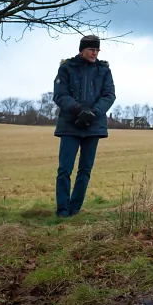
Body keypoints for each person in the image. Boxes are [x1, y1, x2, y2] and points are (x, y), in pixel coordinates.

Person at [52, 35, 116, 218]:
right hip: (69, 125)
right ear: (82, 50)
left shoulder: (104, 71)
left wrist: (93, 113)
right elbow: (60, 94)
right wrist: (79, 110)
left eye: (97, 50)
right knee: (65, 169)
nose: (94, 53)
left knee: (85, 170)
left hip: (93, 126)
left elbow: (109, 95)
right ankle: (62, 210)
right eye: (91, 50)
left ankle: (75, 209)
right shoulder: (66, 68)